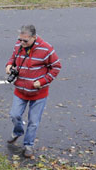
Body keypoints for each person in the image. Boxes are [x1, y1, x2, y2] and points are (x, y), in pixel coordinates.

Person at [5, 25, 61, 158]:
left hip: (38, 93)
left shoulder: (46, 49)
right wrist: (8, 65)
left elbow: (56, 67)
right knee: (14, 115)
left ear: (34, 38)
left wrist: (41, 82)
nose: (22, 43)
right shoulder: (19, 45)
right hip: (20, 90)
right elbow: (13, 57)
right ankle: (18, 132)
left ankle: (28, 145)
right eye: (20, 40)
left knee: (33, 121)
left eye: (25, 41)